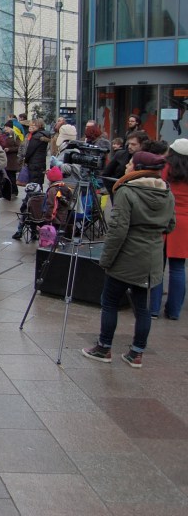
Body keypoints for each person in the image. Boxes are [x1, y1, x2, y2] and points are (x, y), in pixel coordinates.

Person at [82, 151, 175, 368]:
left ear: (138, 168)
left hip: (126, 257)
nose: (126, 166)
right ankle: (137, 353)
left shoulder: (127, 191)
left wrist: (106, 259)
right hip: (151, 258)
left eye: (130, 163)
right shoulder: (166, 192)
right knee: (142, 306)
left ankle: (104, 348)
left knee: (110, 301)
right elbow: (170, 226)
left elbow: (117, 231)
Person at [152, 139, 188, 320]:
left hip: (165, 217)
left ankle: (153, 309)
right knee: (178, 268)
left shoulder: (165, 168)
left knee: (158, 265)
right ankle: (174, 311)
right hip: (185, 223)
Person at [22, 119, 51, 187]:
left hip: (34, 163)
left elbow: (30, 151)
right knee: (39, 182)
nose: (31, 126)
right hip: (41, 162)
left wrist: (25, 160)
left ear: (39, 126)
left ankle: (33, 196)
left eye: (33, 125)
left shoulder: (36, 136)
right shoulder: (44, 134)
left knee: (33, 182)